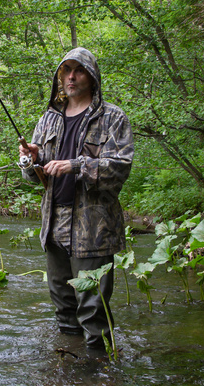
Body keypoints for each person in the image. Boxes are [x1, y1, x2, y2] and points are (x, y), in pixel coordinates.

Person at [18, 47, 134, 350]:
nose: (71, 76)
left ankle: (97, 378)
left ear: (92, 77)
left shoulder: (113, 118)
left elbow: (119, 169)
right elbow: (34, 179)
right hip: (53, 222)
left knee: (94, 312)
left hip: (93, 227)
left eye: (78, 70)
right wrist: (30, 161)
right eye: (66, 70)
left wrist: (76, 164)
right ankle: (70, 379)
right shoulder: (47, 119)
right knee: (64, 310)